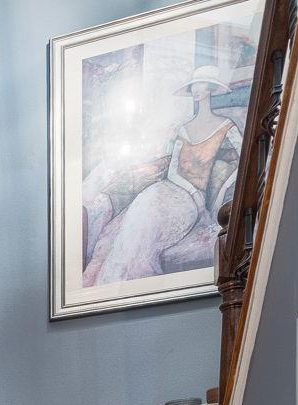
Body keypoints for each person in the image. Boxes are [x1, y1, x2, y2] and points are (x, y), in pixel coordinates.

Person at [83, 65, 243, 285]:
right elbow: (173, 170)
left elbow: (245, 158)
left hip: (189, 201)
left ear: (210, 89)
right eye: (193, 85)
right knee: (135, 219)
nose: (196, 89)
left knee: (146, 224)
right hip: (164, 190)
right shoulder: (182, 128)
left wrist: (220, 191)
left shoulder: (226, 126)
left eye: (201, 84)